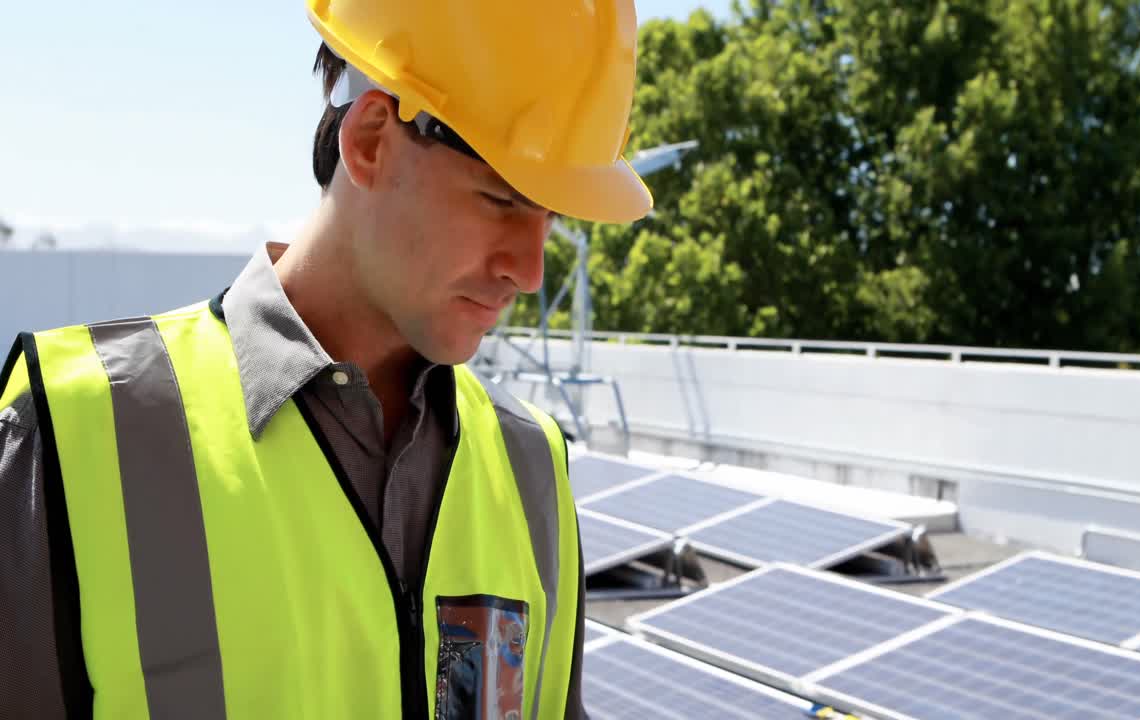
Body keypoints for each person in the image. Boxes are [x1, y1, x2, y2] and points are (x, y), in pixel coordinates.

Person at [0, 1, 652, 717]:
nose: (531, 270)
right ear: (371, 140)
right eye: (502, 200)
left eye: (553, 215)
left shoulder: (532, 464)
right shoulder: (77, 430)